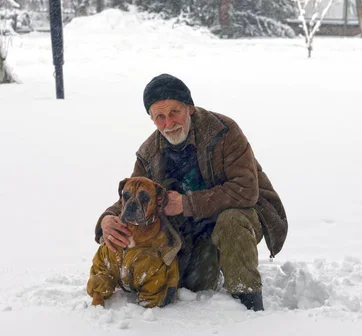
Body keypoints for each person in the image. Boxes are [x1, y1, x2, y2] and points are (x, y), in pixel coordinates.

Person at [94, 74, 287, 311]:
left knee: (232, 222)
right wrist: (106, 219)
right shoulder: (149, 154)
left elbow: (247, 190)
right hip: (192, 228)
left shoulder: (224, 132)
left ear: (190, 108)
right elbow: (134, 195)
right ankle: (215, 263)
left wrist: (187, 203)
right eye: (160, 117)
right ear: (152, 119)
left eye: (175, 112)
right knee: (196, 283)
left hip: (244, 215)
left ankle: (248, 302)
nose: (168, 123)